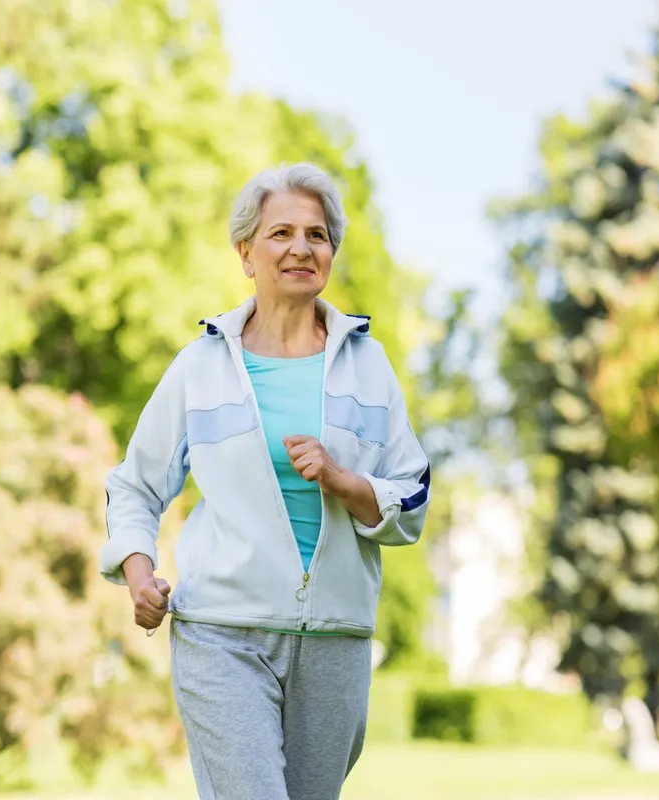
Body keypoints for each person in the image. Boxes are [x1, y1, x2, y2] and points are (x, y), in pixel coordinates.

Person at [99, 162, 431, 799]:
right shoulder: (201, 367)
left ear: (332, 252)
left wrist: (345, 482)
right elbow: (134, 486)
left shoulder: (369, 366)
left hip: (334, 641)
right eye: (281, 233)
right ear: (246, 252)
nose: (301, 247)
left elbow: (411, 493)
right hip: (223, 631)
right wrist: (139, 575)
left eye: (318, 235)